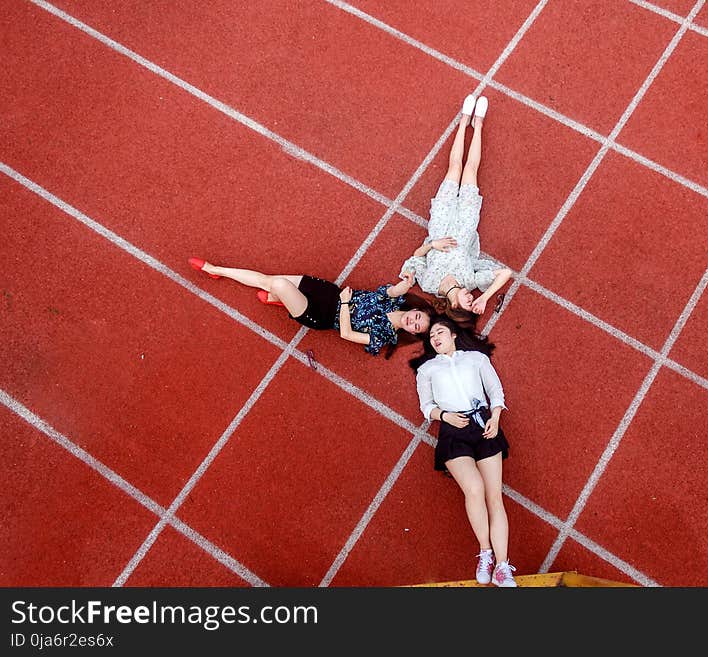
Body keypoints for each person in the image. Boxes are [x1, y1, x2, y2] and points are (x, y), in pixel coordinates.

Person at [410, 317, 517, 587]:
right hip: (453, 430)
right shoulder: (427, 369)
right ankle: (486, 553)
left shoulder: (477, 359)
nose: (435, 337)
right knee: (474, 488)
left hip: (484, 425)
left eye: (440, 332)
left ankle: (503, 568)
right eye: (432, 335)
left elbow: (495, 391)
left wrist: (495, 418)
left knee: (494, 496)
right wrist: (445, 416)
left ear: (454, 335)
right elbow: (427, 406)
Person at [400, 94, 512, 324]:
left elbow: (415, 258)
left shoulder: (430, 284)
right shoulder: (470, 281)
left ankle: (463, 121)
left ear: (454, 305)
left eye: (468, 302)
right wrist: (485, 299)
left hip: (440, 222)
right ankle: (478, 124)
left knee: (453, 167)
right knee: (471, 169)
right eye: (473, 301)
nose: (471, 298)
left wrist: (433, 245)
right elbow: (505, 273)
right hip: (466, 223)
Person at [188, 257, 433, 357]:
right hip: (327, 291)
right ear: (415, 310)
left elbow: (346, 334)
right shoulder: (395, 300)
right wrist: (406, 283)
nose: (414, 321)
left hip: (322, 315)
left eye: (417, 327)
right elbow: (393, 290)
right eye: (418, 316)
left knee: (280, 284)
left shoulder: (381, 338)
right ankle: (217, 271)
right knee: (268, 280)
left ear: (412, 333)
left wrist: (346, 304)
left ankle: (215, 270)